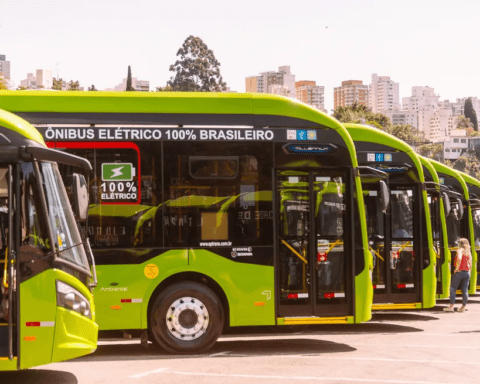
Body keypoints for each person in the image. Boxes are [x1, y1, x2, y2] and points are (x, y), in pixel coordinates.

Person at [444, 238, 472, 312]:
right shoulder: (468, 252)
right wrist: (469, 271)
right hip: (467, 272)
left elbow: (459, 258)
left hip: (459, 272)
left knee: (453, 289)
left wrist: (457, 268)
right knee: (465, 290)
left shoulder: (460, 250)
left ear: (460, 244)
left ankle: (451, 306)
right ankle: (463, 307)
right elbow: (470, 262)